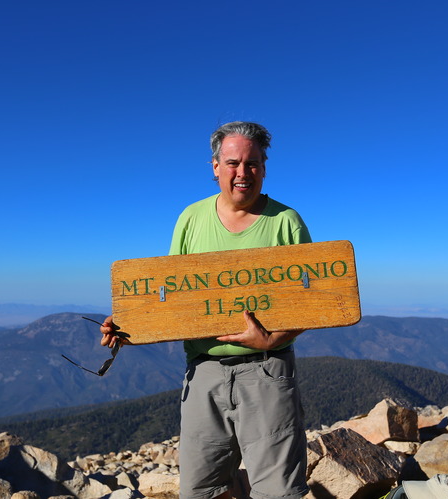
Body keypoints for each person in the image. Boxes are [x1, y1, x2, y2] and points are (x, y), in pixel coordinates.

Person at [100, 121, 311, 499]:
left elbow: (316, 302)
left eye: (252, 164)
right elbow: (173, 298)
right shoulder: (191, 219)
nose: (242, 173)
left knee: (278, 492)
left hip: (268, 369)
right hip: (203, 372)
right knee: (200, 490)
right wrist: (132, 326)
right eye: (233, 163)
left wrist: (272, 338)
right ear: (215, 167)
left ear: (264, 167)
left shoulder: (286, 222)